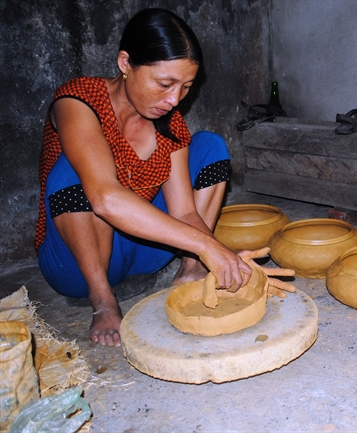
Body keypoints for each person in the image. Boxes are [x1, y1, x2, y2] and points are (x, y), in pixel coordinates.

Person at [36, 8, 260, 347]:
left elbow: (184, 212)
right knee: (72, 169)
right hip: (77, 262)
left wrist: (217, 256)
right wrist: (207, 244)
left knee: (210, 146)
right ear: (125, 63)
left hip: (145, 253)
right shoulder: (78, 101)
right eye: (164, 84)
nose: (174, 100)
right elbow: (105, 198)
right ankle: (103, 299)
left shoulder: (170, 124)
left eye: (186, 87)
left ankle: (190, 269)